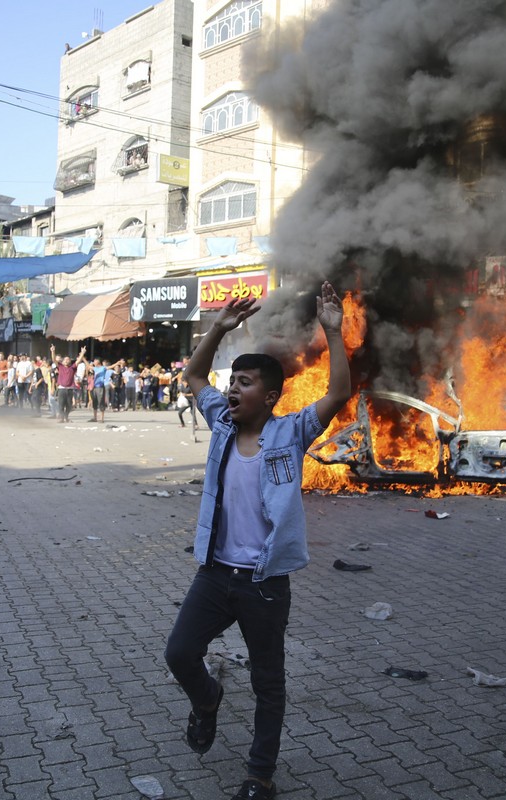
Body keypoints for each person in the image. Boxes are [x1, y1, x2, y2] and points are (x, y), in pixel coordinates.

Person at [164, 282, 350, 800]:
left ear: (269, 396)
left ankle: (259, 775)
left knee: (269, 682)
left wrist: (333, 331)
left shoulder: (290, 434)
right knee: (180, 653)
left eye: (242, 383)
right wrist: (219, 326)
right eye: (232, 382)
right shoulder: (221, 425)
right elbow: (193, 376)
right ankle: (207, 701)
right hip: (215, 573)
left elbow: (337, 394)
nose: (231, 390)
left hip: (265, 582)